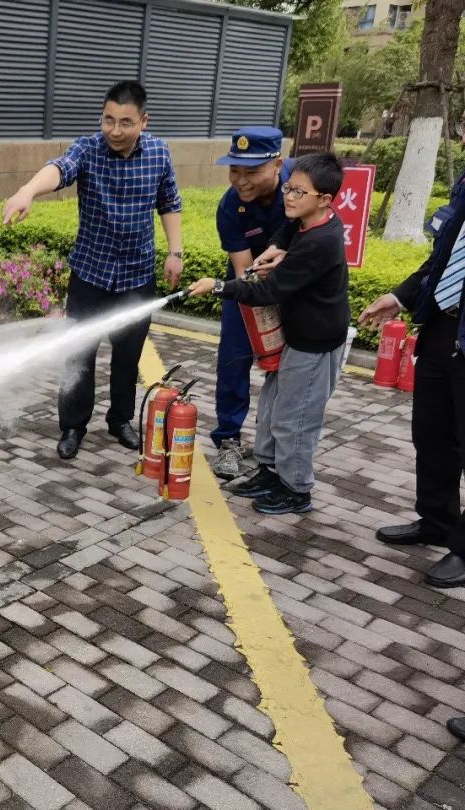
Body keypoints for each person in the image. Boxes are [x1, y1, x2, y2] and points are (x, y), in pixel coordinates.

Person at [1, 80, 183, 460]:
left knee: (128, 356)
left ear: (143, 121)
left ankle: (120, 420)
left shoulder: (159, 153)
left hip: (137, 274)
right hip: (90, 273)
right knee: (78, 353)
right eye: (108, 120)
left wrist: (175, 252)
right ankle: (73, 425)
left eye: (125, 122)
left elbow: (169, 202)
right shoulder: (87, 148)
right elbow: (59, 169)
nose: (114, 130)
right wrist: (27, 191)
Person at [188, 152, 349, 515]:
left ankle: (296, 489)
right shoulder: (306, 221)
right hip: (296, 337)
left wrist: (219, 286)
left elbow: (268, 291)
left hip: (314, 344)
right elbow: (287, 230)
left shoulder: (320, 242)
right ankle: (271, 471)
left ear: (324, 199)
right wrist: (276, 246)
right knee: (272, 408)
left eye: (299, 192)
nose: (289, 197)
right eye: (289, 188)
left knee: (296, 418)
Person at [359, 150, 465, 589]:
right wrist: (401, 297)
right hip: (445, 326)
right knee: (432, 432)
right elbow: (443, 259)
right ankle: (437, 521)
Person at [210, 127, 293, 480]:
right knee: (234, 356)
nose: (241, 181)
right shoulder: (230, 206)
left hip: (296, 285)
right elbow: (244, 270)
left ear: (277, 165)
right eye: (234, 170)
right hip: (248, 282)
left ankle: (272, 442)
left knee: (288, 365)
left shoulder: (300, 187)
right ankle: (228, 439)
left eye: (252, 171)